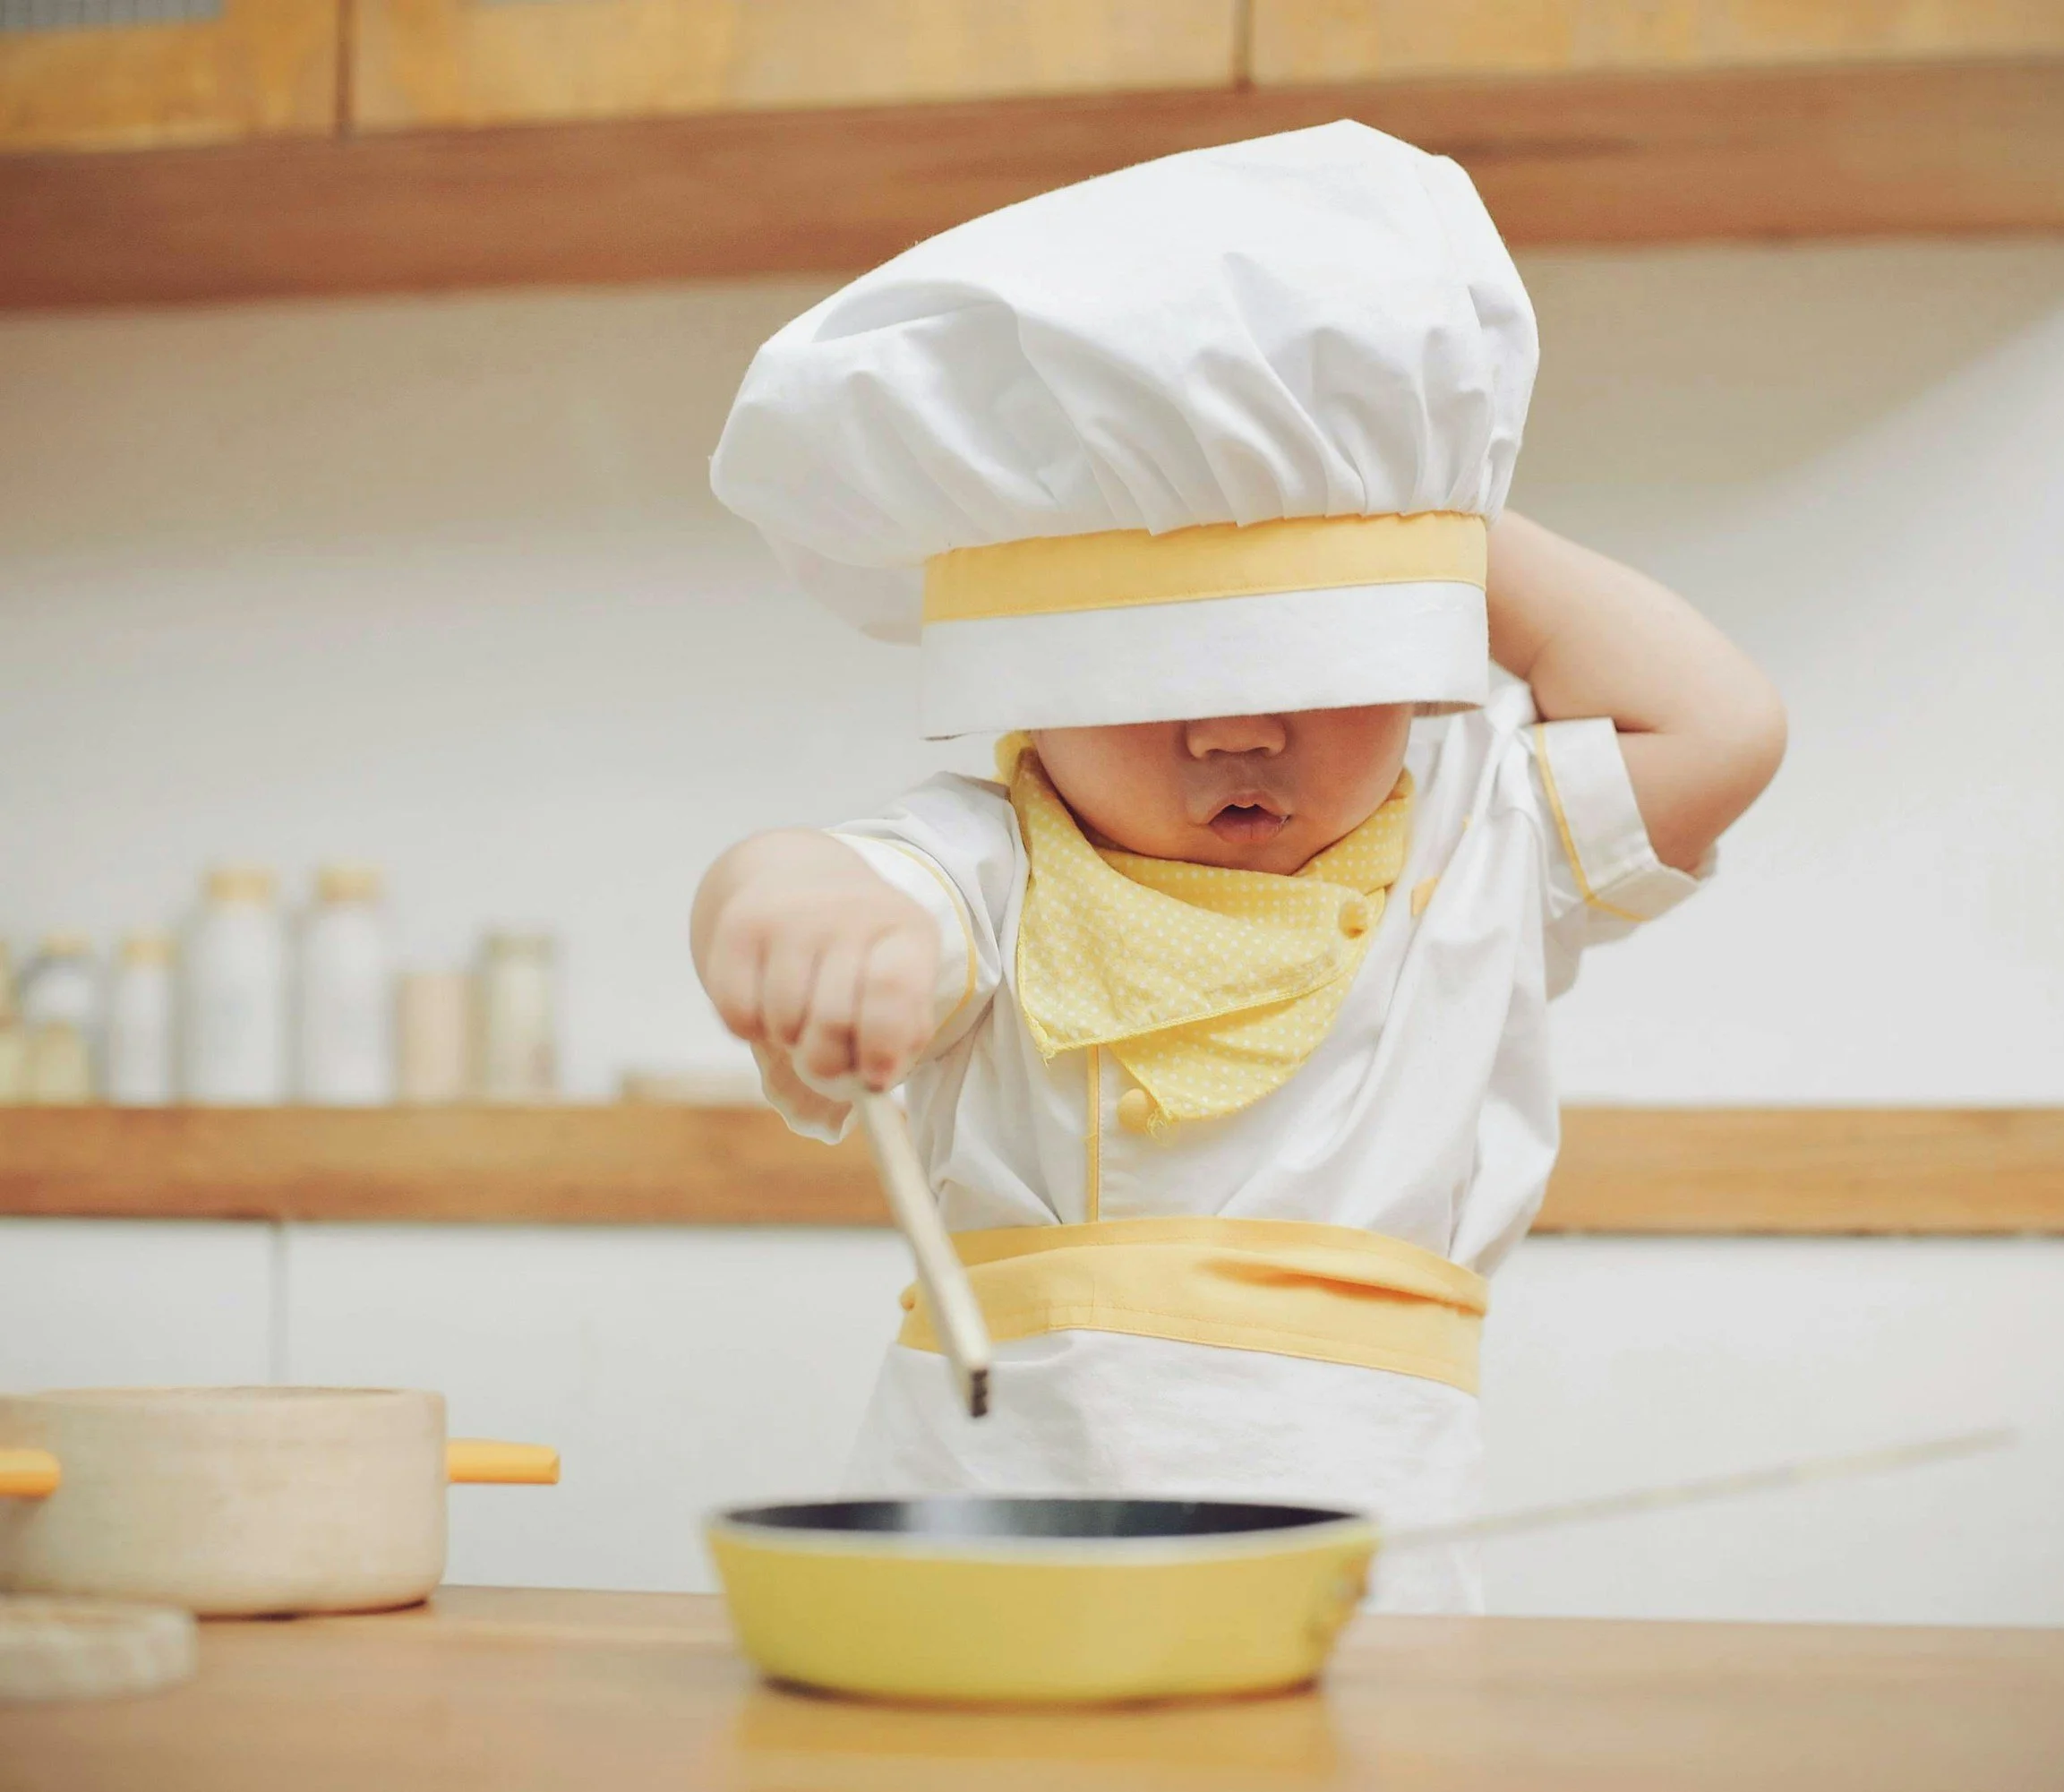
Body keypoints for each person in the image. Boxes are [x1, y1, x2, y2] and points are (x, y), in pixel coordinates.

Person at [690, 122, 1785, 1612]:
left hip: (1373, 1561)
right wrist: (790, 912)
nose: (1235, 723)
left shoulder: (1478, 838)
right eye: (1144, 669)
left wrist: (1415, 493)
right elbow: (813, 876)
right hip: (994, 1537)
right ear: (1023, 683)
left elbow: (1721, 727)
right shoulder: (992, 860)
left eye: (1322, 654)